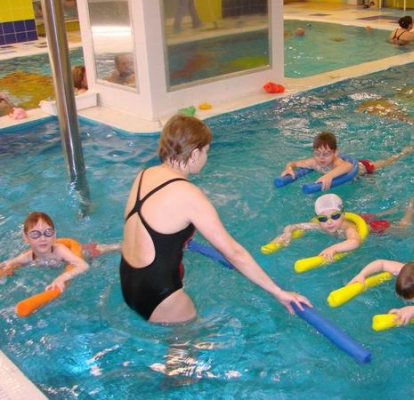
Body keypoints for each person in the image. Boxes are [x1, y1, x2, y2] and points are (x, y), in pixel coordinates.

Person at [119, 114, 311, 324]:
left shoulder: (144, 175)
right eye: (206, 152)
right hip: (162, 297)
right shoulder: (188, 194)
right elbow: (234, 253)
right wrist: (278, 292)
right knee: (189, 342)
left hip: (129, 282)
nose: (206, 158)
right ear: (194, 154)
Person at [265, 194, 414, 262]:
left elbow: (355, 242)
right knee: (377, 215)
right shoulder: (321, 226)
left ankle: (410, 208)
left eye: (335, 216)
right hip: (359, 219)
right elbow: (296, 225)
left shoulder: (347, 228)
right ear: (318, 219)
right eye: (323, 218)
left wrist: (333, 248)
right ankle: (392, 210)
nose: (329, 222)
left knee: (403, 229)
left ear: (343, 215)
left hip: (374, 229)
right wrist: (287, 232)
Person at [0, 212, 120, 291]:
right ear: (26, 238)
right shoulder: (27, 257)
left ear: (54, 235)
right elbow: (9, 263)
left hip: (81, 254)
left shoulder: (59, 250)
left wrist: (62, 277)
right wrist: (6, 268)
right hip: (66, 260)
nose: (43, 238)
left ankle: (121, 246)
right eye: (35, 234)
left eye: (48, 232)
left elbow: (83, 265)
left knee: (102, 250)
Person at [279, 131, 414, 191]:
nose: (321, 158)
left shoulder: (337, 162)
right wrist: (289, 168)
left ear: (335, 153)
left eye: (326, 154)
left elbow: (348, 166)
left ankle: (403, 153)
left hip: (364, 169)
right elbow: (293, 163)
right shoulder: (313, 162)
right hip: (351, 179)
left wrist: (328, 175)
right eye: (317, 154)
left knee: (386, 162)